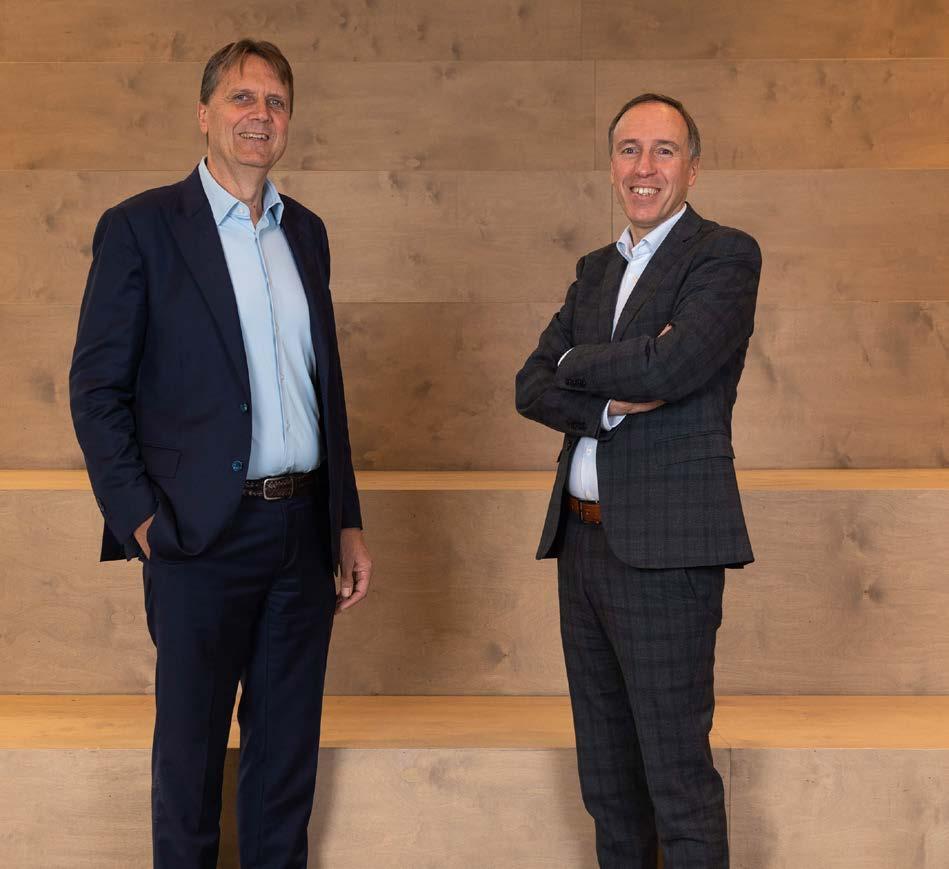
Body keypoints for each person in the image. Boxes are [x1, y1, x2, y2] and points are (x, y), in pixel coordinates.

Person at [69, 39, 372, 869]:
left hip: (301, 533)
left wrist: (345, 519)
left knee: (284, 762)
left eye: (275, 102)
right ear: (204, 114)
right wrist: (140, 520)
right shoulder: (141, 228)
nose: (259, 115)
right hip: (196, 534)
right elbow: (96, 389)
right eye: (242, 98)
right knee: (191, 759)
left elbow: (324, 387)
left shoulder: (305, 232)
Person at [515, 93, 761, 868]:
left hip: (666, 552)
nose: (643, 167)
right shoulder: (594, 270)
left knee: (675, 778)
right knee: (607, 783)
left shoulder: (723, 256)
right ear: (611, 163)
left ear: (692, 166)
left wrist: (578, 361)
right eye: (628, 149)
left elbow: (672, 367)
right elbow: (529, 385)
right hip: (581, 547)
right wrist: (609, 392)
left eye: (662, 150)